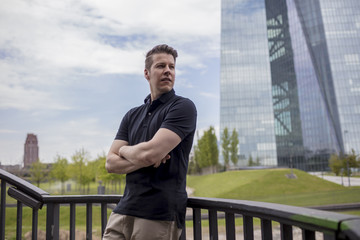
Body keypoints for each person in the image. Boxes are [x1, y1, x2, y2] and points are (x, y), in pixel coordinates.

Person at [103, 44, 197, 240]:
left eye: (172, 67)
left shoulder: (183, 107)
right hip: (122, 211)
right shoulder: (132, 115)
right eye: (161, 66)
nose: (167, 71)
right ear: (147, 73)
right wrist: (141, 156)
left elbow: (150, 154)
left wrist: (125, 151)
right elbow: (110, 163)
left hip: (158, 215)